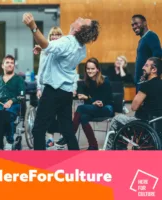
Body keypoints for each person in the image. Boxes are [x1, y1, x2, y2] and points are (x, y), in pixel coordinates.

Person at [23, 13, 100, 150]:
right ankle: (74, 162)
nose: (79, 18)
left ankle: (39, 166)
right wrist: (44, 48)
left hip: (53, 91)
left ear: (78, 30)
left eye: (81, 20)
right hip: (66, 93)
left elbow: (48, 45)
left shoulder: (67, 41)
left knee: (38, 130)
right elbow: (57, 51)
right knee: (67, 130)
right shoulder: (81, 48)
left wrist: (33, 27)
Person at [107, 57, 162, 149]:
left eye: (146, 65)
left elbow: (134, 107)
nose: (142, 68)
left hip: (144, 123)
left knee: (117, 119)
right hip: (158, 122)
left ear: (154, 70)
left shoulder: (146, 85)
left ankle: (111, 152)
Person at [60, 58, 114, 150]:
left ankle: (69, 136)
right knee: (83, 117)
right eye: (88, 69)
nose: (90, 71)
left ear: (97, 69)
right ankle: (93, 145)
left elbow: (104, 100)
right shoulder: (84, 83)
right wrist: (82, 96)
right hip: (93, 109)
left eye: (92, 69)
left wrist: (90, 99)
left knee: (80, 108)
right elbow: (88, 101)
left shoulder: (105, 81)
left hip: (106, 108)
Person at [34, 26, 64, 148]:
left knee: (61, 113)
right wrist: (38, 88)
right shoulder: (44, 51)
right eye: (52, 35)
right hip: (47, 86)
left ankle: (62, 138)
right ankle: (50, 138)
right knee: (47, 114)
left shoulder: (64, 50)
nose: (54, 37)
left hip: (61, 86)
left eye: (57, 35)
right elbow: (41, 69)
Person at [0, 55, 25, 150]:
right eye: (7, 62)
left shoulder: (19, 79)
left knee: (7, 116)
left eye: (12, 63)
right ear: (2, 66)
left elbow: (22, 96)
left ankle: (9, 140)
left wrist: (11, 101)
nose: (10, 65)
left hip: (14, 106)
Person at [131, 14, 162, 92]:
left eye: (136, 23)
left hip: (147, 81)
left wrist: (146, 74)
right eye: (132, 25)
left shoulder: (151, 36)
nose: (134, 26)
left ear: (144, 23)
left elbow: (157, 57)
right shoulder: (143, 39)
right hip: (141, 80)